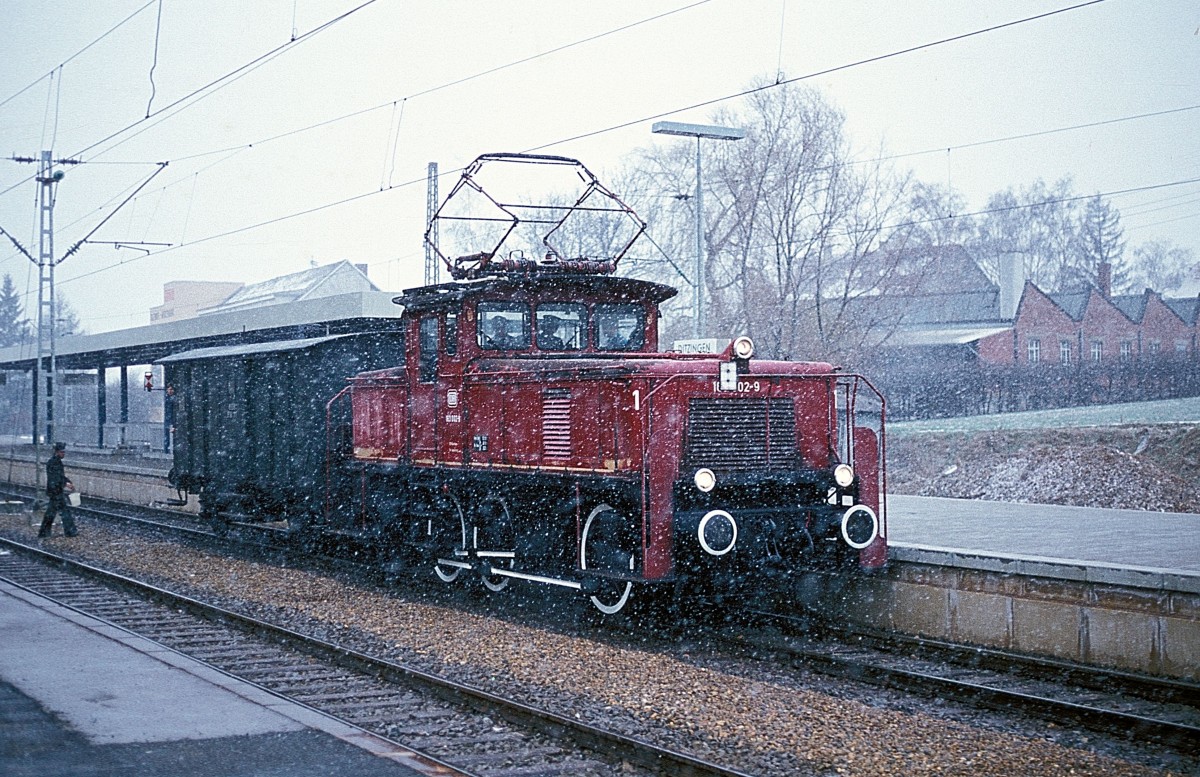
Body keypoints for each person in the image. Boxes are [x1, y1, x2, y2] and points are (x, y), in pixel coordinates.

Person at [38, 442, 77, 538]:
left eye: (64, 452)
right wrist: (65, 483)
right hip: (55, 491)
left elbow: (60, 476)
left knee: (52, 513)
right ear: (57, 452)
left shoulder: (56, 462)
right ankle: (70, 531)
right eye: (62, 452)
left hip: (56, 491)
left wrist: (68, 482)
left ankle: (44, 532)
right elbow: (55, 478)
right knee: (63, 512)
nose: (63, 454)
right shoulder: (53, 463)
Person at [163, 385, 176, 453]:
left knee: (168, 435)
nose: (171, 391)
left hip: (170, 420)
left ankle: (167, 449)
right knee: (168, 435)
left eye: (172, 389)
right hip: (170, 420)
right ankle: (167, 449)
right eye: (169, 389)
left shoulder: (166, 399)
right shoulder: (170, 399)